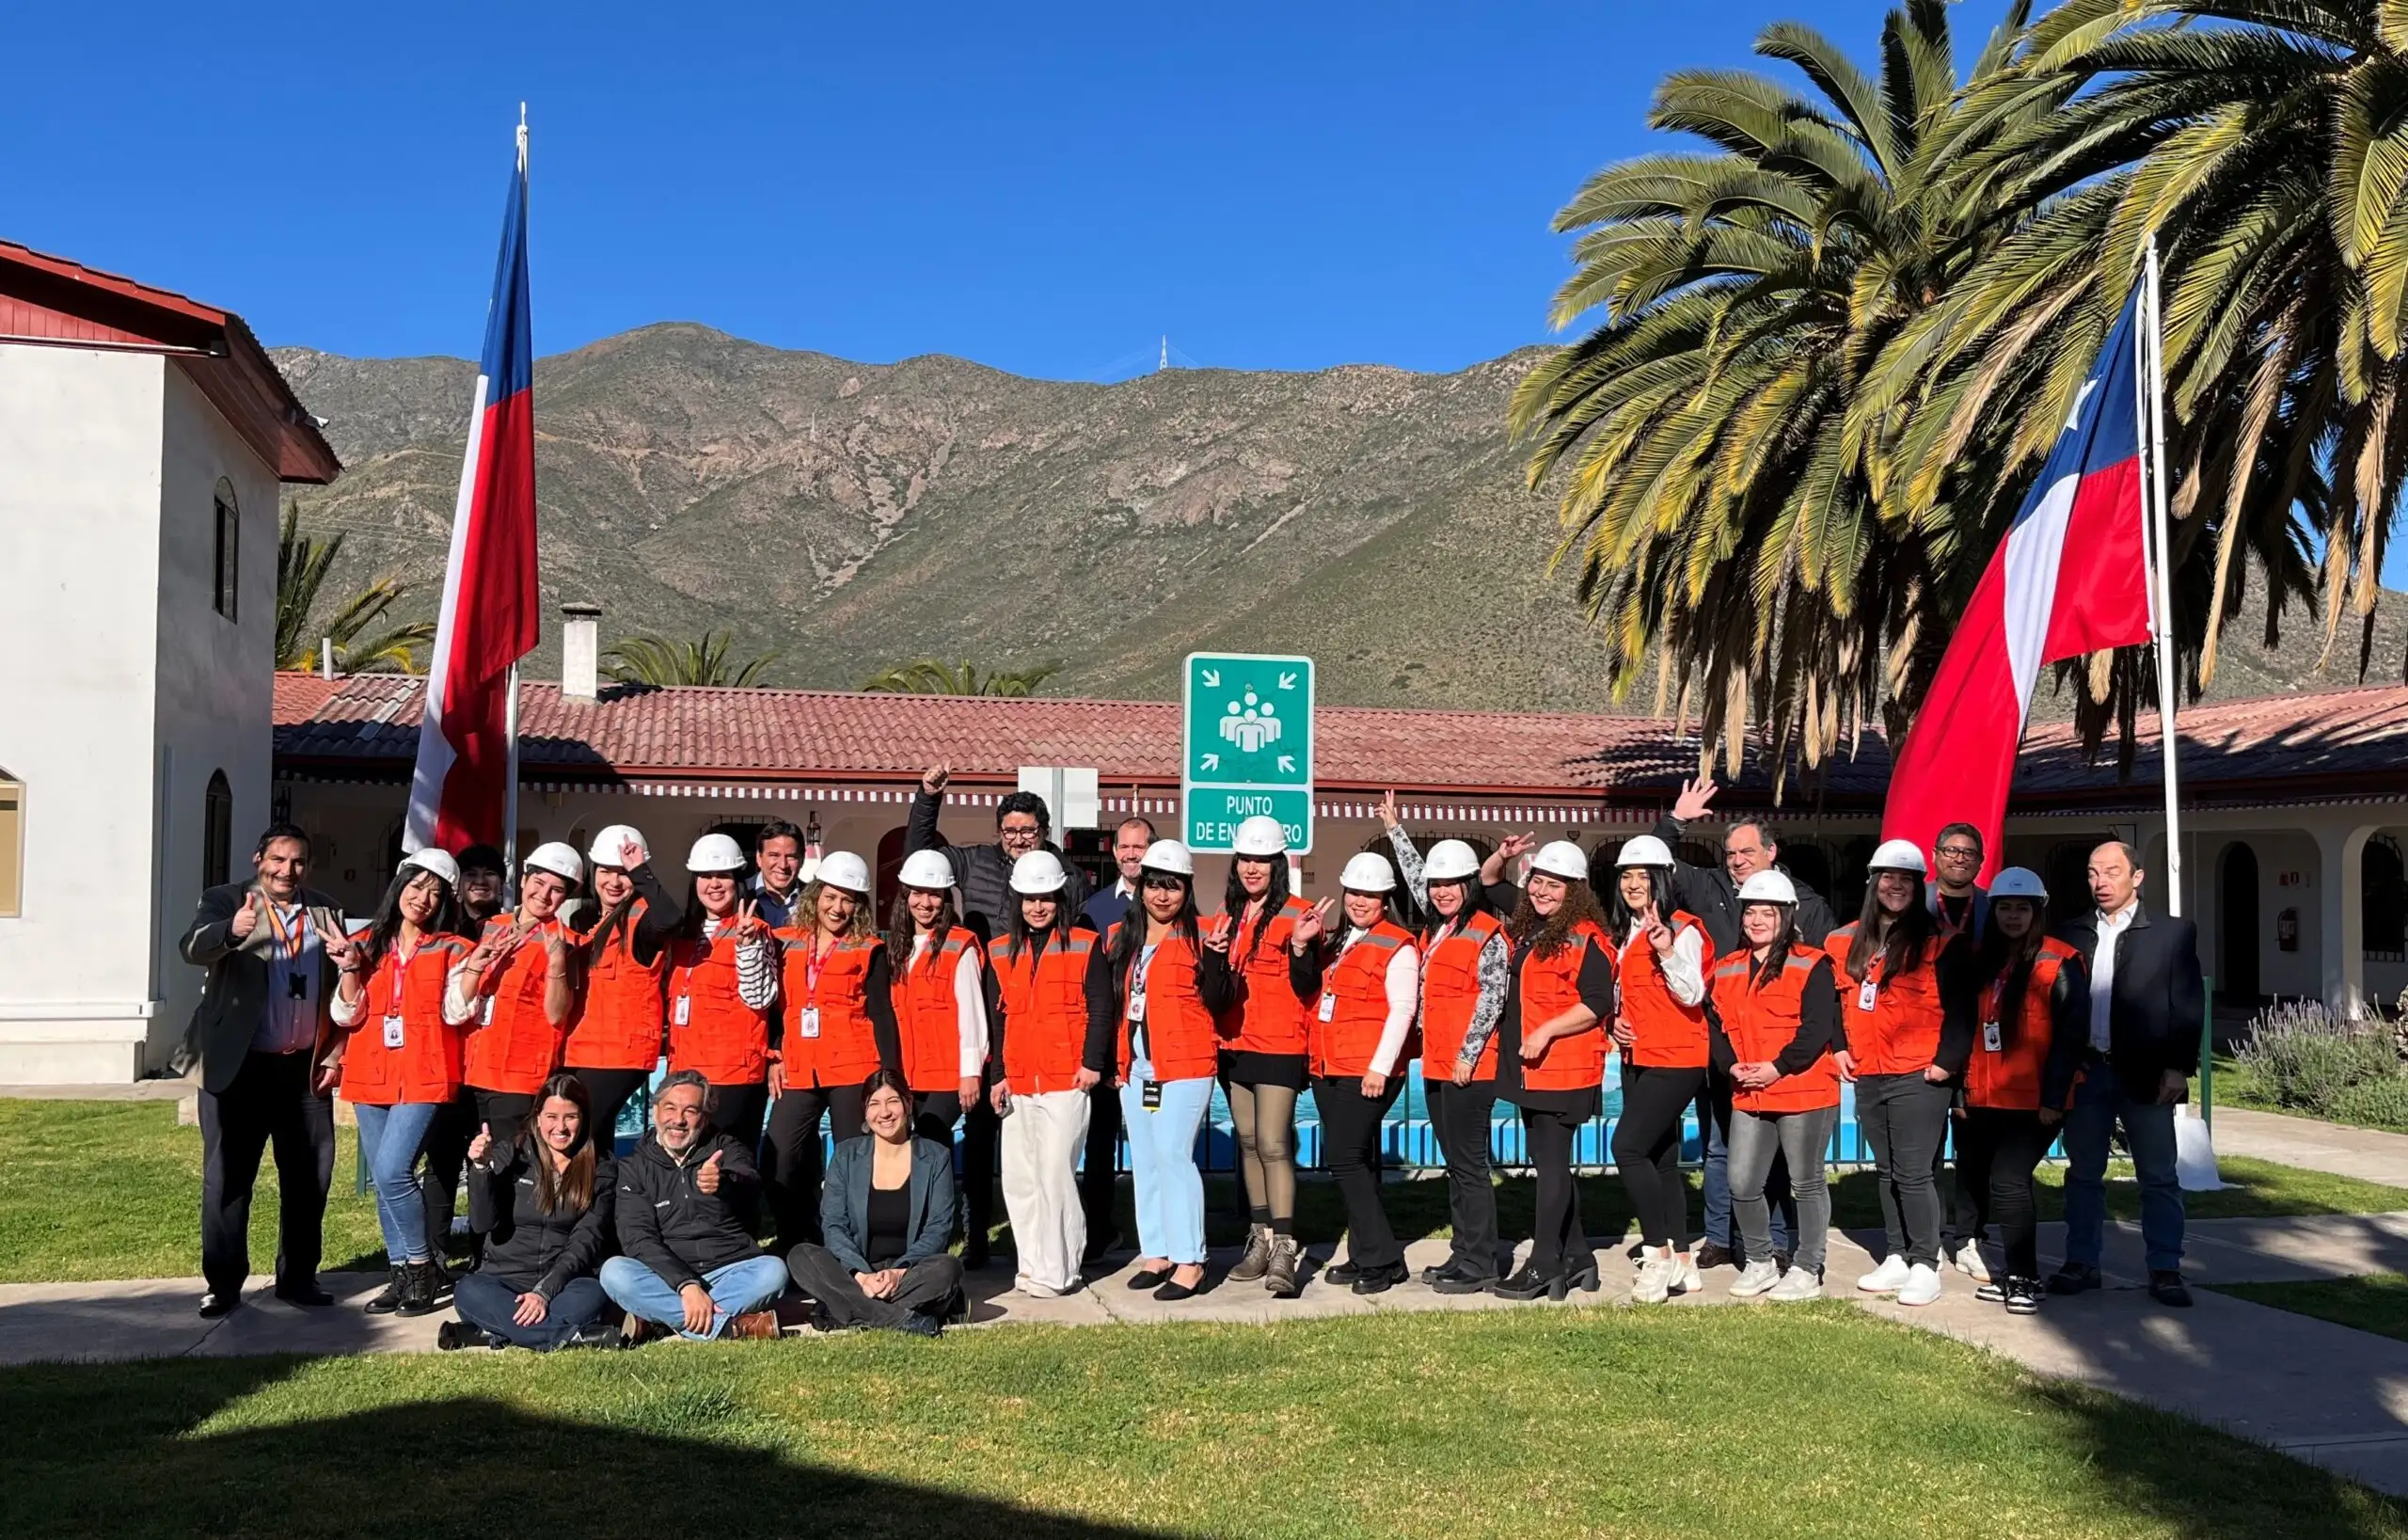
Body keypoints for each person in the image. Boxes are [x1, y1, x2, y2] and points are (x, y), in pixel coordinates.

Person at [1652, 778, 1837, 1271]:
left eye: (1747, 851)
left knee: (1780, 1160)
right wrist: (1676, 820)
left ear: (1771, 852)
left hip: (1785, 1060)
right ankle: (1719, 1237)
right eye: (1730, 852)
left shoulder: (1806, 904)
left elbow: (1826, 983)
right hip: (1727, 1050)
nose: (1736, 860)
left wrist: (1798, 1056)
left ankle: (1774, 1242)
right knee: (1720, 1149)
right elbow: (1654, 865)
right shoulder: (1708, 887)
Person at [908, 766, 1089, 1266]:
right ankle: (974, 1235)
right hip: (976, 1002)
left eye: (1028, 830)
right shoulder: (975, 862)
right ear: (998, 832)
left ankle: (1033, 1235)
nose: (1018, 839)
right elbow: (920, 857)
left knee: (1018, 1136)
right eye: (1010, 830)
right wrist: (928, 799)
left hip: (1029, 1012)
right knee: (973, 1130)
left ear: (1044, 831)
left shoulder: (1067, 876)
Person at [177, 822, 347, 1318]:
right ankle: (223, 1284)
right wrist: (231, 932)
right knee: (228, 1179)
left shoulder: (326, 911)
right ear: (258, 860)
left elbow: (341, 988)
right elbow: (193, 947)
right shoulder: (226, 900)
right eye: (278, 859)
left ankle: (298, 1278)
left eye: (298, 861)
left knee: (309, 1179)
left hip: (303, 1072)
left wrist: (335, 1052)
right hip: (239, 1067)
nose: (287, 870)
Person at [2049, 839, 2205, 1308]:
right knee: (2083, 1173)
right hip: (2088, 1074)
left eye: (2112, 872)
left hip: (2147, 1073)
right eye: (2093, 873)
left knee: (2157, 1175)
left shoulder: (2172, 934)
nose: (2101, 882)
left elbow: (2186, 1005)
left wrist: (2178, 1067)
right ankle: (2082, 1261)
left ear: (2137, 877)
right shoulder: (2069, 933)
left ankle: (2165, 1267)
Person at [1828, 839, 1973, 1308]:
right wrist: (1840, 1048)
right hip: (1869, 1070)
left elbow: (1962, 1011)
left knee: (1914, 1172)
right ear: (1873, 883)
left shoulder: (1943, 942)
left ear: (1918, 886)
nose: (1896, 886)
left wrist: (1946, 1063)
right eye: (1887, 877)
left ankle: (1926, 1262)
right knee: (1887, 1170)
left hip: (1920, 1073)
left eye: (1906, 879)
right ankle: (1897, 1254)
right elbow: (1835, 1001)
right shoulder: (1842, 940)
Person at [328, 848, 473, 1317]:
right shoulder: (364, 943)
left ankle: (421, 1265)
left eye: (435, 893)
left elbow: (458, 1011)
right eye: (417, 887)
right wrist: (350, 968)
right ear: (399, 886)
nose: (423, 899)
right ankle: (400, 1274)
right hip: (370, 1069)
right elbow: (347, 1013)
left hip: (425, 1072)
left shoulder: (454, 948)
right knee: (384, 1179)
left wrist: (474, 970)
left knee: (393, 1171)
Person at [1092, 839, 1234, 1301]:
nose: (1162, 895)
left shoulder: (1204, 934)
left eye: (1173, 887)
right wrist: (1114, 1062)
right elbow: (1115, 1004)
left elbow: (1220, 1000)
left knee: (1174, 1156)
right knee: (1147, 1160)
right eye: (1155, 885)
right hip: (1136, 1068)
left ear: (1187, 890)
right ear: (1142, 887)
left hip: (1186, 1064)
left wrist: (1215, 959)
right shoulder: (1121, 936)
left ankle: (1191, 1259)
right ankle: (1157, 1252)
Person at [1384, 807, 1509, 1294]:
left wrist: (1468, 1055)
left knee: (1470, 1167)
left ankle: (1482, 1263)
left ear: (1469, 885)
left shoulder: (1486, 932)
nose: (1440, 891)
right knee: (1456, 1165)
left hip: (1467, 1068)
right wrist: (1395, 831)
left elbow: (1492, 998)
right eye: (1436, 884)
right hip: (1437, 1063)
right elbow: (1418, 879)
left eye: (1451, 883)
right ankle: (1463, 1252)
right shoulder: (1440, 928)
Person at [1707, 870, 1843, 1302]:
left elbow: (1818, 1028)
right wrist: (1730, 1066)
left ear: (1786, 916)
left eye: (1768, 913)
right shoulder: (1727, 967)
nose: (1757, 920)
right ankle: (1760, 1260)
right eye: (1751, 912)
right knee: (1743, 1182)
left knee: (1806, 1182)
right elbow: (1716, 1025)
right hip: (1749, 1091)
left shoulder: (1812, 963)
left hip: (1803, 1090)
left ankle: (1807, 1267)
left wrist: (1777, 1067)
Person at [1288, 853, 1420, 1294]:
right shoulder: (1338, 940)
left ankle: (1383, 1258)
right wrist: (1301, 945)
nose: (1360, 901)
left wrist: (1379, 1067)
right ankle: (1365, 1254)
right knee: (1356, 1161)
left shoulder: (1398, 945)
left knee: (1343, 1158)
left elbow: (1403, 1010)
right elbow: (1308, 988)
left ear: (1385, 899)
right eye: (1354, 893)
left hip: (1366, 1070)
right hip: (1329, 1066)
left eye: (1370, 894)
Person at [1956, 868, 2086, 1314]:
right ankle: (2015, 1273)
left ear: (2037, 912)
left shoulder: (2059, 961)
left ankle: (2024, 1277)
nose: (2013, 916)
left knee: (2010, 1181)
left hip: (2035, 1102)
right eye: (2006, 908)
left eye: (2022, 908)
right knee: (1995, 1183)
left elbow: (2071, 1037)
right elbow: (1963, 1029)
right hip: (1984, 1097)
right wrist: (1961, 1093)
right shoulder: (1981, 959)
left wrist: (2054, 1099)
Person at [1491, 840, 1615, 1302]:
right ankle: (1579, 1257)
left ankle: (1544, 1263)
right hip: (1533, 1070)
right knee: (1550, 1163)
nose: (1542, 891)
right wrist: (1503, 855)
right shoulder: (1535, 926)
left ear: (1574, 891)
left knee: (1551, 1167)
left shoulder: (1585, 937)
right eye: (1537, 882)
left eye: (1554, 885)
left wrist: (1546, 1032)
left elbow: (1597, 1002)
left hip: (1563, 1069)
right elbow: (1489, 883)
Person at [765, 850, 904, 1252]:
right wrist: (773, 1054)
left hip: (854, 1067)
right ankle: (797, 1238)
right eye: (830, 897)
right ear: (815, 896)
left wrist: (889, 1078)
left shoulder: (869, 948)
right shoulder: (785, 941)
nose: (837, 908)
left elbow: (882, 1013)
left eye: (847, 900)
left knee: (852, 1162)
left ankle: (851, 1245)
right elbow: (773, 1005)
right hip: (798, 1066)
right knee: (779, 1155)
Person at [989, 852, 1107, 1295]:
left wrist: (1092, 1063)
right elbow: (998, 1019)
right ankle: (1031, 1266)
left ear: (1060, 899)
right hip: (1019, 1082)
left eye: (1046, 898)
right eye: (1029, 899)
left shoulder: (1085, 944)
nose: (1037, 907)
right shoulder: (1000, 951)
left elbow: (1101, 1008)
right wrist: (998, 1075)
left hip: (1066, 1080)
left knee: (1056, 1175)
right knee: (1021, 1180)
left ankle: (1060, 1271)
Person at [1604, 836, 1713, 1304]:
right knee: (1662, 1157)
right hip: (1639, 1055)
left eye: (1643, 877)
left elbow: (1693, 994)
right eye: (1626, 876)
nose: (1632, 884)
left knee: (1626, 1147)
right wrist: (1615, 1022)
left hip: (1676, 1056)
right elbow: (1628, 993)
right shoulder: (1626, 932)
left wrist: (1666, 950)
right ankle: (1683, 1259)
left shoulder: (1683, 929)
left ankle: (1657, 1252)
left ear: (1662, 881)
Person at [601, 1070, 787, 1342]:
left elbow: (750, 1180)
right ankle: (729, 1328)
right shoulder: (633, 1167)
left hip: (728, 1269)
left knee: (774, 1272)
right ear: (655, 1111)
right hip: (666, 1275)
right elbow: (637, 1237)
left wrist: (724, 1182)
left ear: (705, 1117)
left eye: (690, 1111)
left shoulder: (726, 1148)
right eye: (670, 1108)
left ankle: (663, 1321)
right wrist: (685, 1284)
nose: (678, 1120)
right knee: (614, 1273)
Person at [1212, 813, 1315, 1296]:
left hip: (1280, 1044)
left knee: (1274, 1144)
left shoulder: (1300, 914)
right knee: (1249, 1141)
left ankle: (1285, 1246)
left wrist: (1301, 949)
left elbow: (1308, 985)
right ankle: (1260, 1236)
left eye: (1263, 860)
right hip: (1235, 1043)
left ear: (1278, 865)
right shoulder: (1228, 914)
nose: (1252, 868)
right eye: (1246, 859)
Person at [444, 1072, 620, 1350]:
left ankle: (493, 1333)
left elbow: (584, 1242)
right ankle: (570, 1337)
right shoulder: (512, 1153)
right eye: (551, 1117)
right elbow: (482, 1223)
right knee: (468, 1290)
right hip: (501, 1279)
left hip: (564, 1281)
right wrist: (480, 1169)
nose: (560, 1127)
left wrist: (544, 1293)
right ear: (537, 1117)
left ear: (584, 1119)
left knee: (594, 1293)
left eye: (570, 1117)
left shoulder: (601, 1167)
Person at [784, 1070, 965, 1336]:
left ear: (908, 1104)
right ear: (865, 1111)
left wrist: (898, 1272)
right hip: (857, 1272)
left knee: (948, 1268)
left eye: (893, 1101)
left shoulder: (935, 1156)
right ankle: (900, 1318)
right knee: (801, 1256)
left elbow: (938, 1228)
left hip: (909, 1272)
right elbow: (833, 1224)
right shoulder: (846, 1155)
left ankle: (845, 1309)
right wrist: (862, 1276)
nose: (885, 1113)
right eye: (874, 1104)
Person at [450, 842, 582, 1158]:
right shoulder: (490, 927)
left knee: (508, 1166)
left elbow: (557, 1014)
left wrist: (557, 963)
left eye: (556, 890)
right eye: (538, 883)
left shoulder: (569, 943)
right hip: (470, 1068)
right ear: (523, 880)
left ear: (566, 897)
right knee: (472, 1167)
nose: (544, 895)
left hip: (516, 1078)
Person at [416, 842, 507, 1269]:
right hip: (445, 1063)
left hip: (494, 1067)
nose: (480, 881)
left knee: (488, 1164)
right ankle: (431, 1260)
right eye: (471, 873)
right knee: (441, 1163)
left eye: (490, 874)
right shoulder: (439, 932)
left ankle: (484, 1258)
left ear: (502, 883)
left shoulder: (512, 929)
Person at [566, 824, 682, 1157]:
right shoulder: (587, 919)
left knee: (578, 1134)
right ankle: (604, 1191)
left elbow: (669, 917)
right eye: (606, 871)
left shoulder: (641, 919)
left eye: (623, 873)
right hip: (585, 1049)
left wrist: (640, 871)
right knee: (594, 1141)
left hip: (620, 1053)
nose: (614, 881)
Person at [663, 834, 779, 1152]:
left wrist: (747, 947)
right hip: (686, 1070)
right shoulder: (684, 934)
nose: (714, 884)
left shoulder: (755, 930)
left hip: (733, 1074)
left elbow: (760, 998)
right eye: (705, 876)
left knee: (730, 1162)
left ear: (737, 881)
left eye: (723, 876)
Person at [886, 849, 990, 1156]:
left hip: (949, 1072)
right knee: (922, 1149)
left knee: (930, 1139)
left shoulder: (959, 945)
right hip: (910, 1071)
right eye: (917, 893)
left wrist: (970, 1073)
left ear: (945, 898)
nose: (925, 903)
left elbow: (972, 1015)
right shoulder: (898, 946)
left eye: (934, 894)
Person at [1080, 816, 1156, 934]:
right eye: (1124, 847)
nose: (1131, 855)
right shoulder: (1093, 909)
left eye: (1138, 847)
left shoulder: (1168, 903)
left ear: (1153, 849)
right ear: (1115, 851)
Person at [1929, 822, 1992, 945]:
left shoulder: (1992, 906)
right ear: (1935, 855)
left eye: (1969, 853)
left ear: (1981, 861)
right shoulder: (1915, 900)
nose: (1959, 859)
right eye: (1951, 850)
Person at [749, 819, 808, 931]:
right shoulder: (740, 894)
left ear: (802, 859)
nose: (783, 865)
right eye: (774, 855)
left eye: (791, 856)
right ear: (759, 858)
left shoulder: (814, 899)